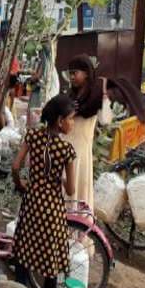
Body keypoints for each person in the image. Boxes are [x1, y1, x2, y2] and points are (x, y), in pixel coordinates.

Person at [12, 93, 76, 288]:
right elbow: (71, 191)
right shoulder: (66, 151)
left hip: (31, 205)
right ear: (60, 121)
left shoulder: (33, 136)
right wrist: (59, 179)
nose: (73, 122)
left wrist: (21, 184)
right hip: (52, 212)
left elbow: (16, 165)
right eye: (71, 118)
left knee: (22, 257)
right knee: (51, 267)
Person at [63, 55, 104, 210]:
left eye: (75, 73)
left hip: (79, 149)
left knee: (76, 186)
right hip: (68, 145)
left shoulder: (94, 94)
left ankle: (75, 226)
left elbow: (80, 112)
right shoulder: (74, 93)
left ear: (86, 73)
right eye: (70, 74)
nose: (72, 77)